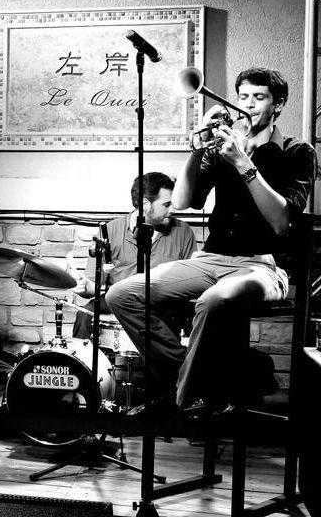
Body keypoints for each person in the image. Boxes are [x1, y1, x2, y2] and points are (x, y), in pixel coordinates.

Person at [107, 67, 317, 414]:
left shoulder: (297, 152)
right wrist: (197, 147)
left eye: (259, 97)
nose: (248, 105)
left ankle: (179, 402)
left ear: (278, 104)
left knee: (212, 301)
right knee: (122, 294)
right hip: (211, 258)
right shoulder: (222, 148)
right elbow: (182, 201)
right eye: (243, 97)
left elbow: (282, 223)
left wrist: (243, 163)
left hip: (262, 265)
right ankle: (197, 385)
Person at [71, 172, 197, 340]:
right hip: (119, 301)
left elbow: (191, 284)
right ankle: (84, 357)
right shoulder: (110, 231)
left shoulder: (183, 232)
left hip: (164, 304)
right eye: (166, 205)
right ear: (145, 204)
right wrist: (83, 286)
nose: (172, 210)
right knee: (85, 314)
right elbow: (93, 285)